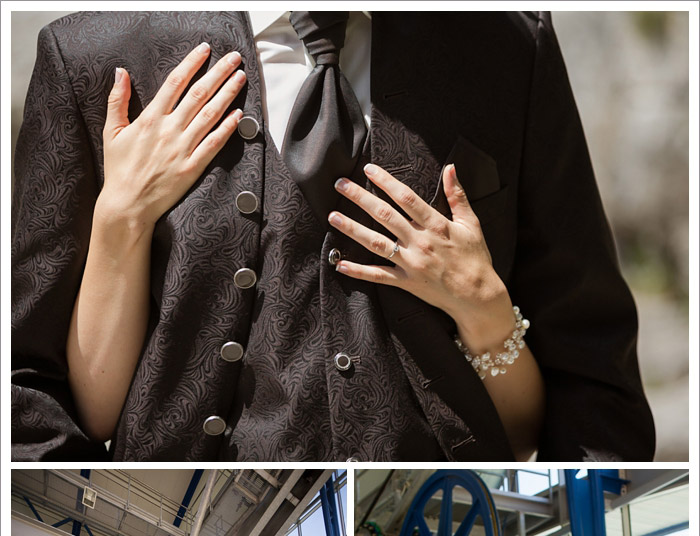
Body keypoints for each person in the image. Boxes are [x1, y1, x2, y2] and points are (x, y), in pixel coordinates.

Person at [12, 11, 654, 463]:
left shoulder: (512, 48)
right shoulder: (93, 57)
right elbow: (27, 386)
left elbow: (595, 384)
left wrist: (485, 308)